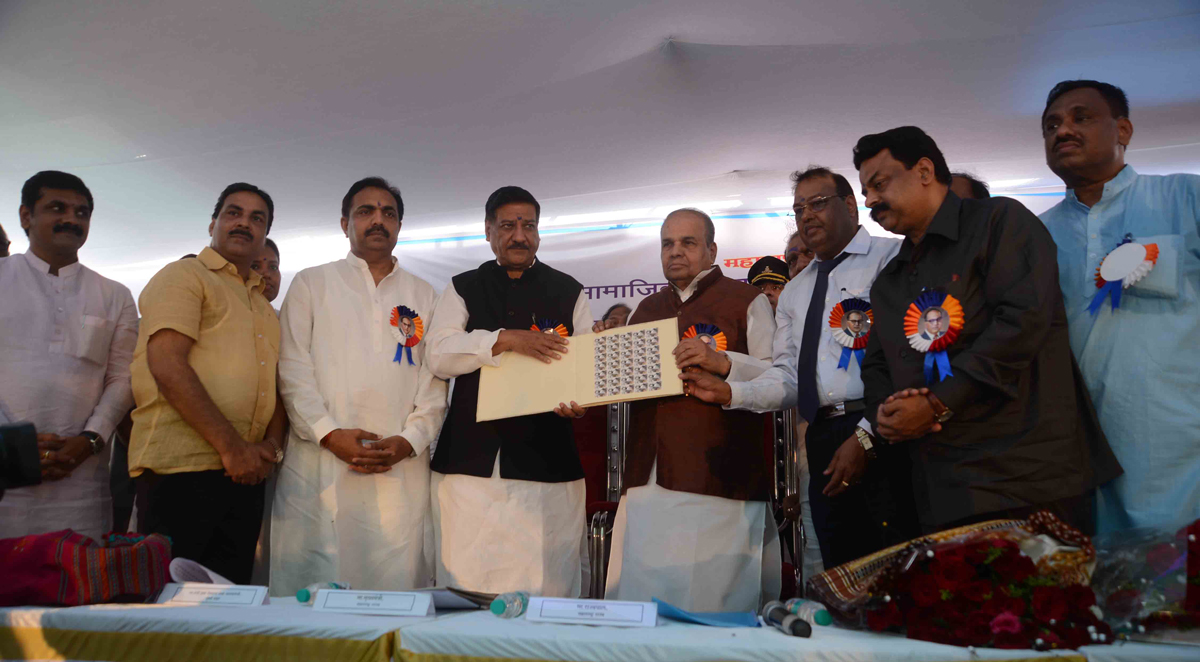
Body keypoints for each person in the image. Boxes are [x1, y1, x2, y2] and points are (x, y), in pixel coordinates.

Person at [853, 126, 1121, 535]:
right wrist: (884, 418)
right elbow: (875, 367)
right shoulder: (889, 281)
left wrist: (937, 404)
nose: (870, 200)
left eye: (879, 183)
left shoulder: (1000, 222)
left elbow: (1022, 323)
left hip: (1026, 477)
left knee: (1048, 599)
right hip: (940, 488)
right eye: (865, 190)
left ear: (924, 170)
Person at [681, 167, 919, 570]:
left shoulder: (892, 258)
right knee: (838, 566)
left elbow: (910, 358)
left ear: (849, 205)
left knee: (899, 561)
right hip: (823, 436)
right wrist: (732, 392)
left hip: (885, 427)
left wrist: (865, 436)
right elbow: (788, 376)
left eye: (818, 203)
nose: (807, 215)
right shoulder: (796, 290)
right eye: (798, 208)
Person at [271, 177, 448, 596]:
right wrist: (329, 434)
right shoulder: (312, 284)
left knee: (393, 584)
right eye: (365, 211)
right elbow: (292, 368)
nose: (377, 220)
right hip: (320, 463)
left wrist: (410, 440)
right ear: (344, 223)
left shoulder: (425, 295)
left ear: (400, 226)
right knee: (314, 586)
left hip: (399, 469)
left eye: (388, 213)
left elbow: (434, 381)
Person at [1038, 80, 1200, 533]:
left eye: (1080, 117)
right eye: (1051, 125)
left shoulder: (1186, 198)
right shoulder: (1035, 235)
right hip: (1077, 450)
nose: (1062, 130)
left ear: (1123, 130)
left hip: (1178, 448)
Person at [605, 208, 779, 612]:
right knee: (644, 595)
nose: (675, 252)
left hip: (720, 474)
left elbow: (778, 375)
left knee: (713, 598)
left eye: (688, 242)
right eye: (667, 243)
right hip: (649, 476)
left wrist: (723, 361)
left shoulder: (746, 300)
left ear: (712, 249)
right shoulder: (645, 310)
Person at [425, 186, 592, 597]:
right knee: (466, 582)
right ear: (488, 231)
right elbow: (439, 355)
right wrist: (504, 339)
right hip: (471, 466)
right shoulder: (462, 286)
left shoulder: (568, 289)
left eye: (529, 225)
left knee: (547, 583)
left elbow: (585, 367)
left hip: (547, 465)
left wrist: (581, 403)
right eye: (508, 226)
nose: (520, 235)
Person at [128, 182, 286, 583]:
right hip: (181, 474)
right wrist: (231, 448)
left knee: (227, 611)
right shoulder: (184, 275)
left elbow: (275, 383)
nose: (244, 224)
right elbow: (166, 363)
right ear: (213, 222)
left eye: (257, 218)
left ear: (265, 233)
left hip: (244, 475)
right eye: (234, 213)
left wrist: (269, 449)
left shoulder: (262, 306)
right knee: (167, 612)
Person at [0, 171, 138, 541]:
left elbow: (121, 378)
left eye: (82, 212)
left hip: (82, 480)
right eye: (57, 208)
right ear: (26, 216)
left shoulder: (114, 294)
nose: (72, 219)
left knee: (79, 587)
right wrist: (15, 444)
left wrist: (92, 439)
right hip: (5, 480)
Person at [250, 238, 282, 303]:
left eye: (273, 267)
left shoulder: (284, 313)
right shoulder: (227, 312)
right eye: (255, 267)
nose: (267, 274)